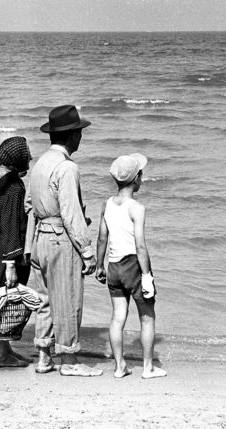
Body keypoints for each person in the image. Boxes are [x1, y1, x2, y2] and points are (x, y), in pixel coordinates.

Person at [28, 104, 102, 377]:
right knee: (69, 299)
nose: (81, 137)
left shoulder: (39, 165)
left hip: (41, 239)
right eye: (79, 132)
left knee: (45, 300)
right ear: (72, 136)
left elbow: (29, 205)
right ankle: (69, 360)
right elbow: (71, 214)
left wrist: (29, 247)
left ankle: (44, 356)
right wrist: (87, 250)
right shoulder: (67, 167)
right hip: (61, 239)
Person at [95, 153, 167, 379]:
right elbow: (140, 246)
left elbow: (101, 239)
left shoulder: (106, 204)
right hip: (133, 265)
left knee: (118, 317)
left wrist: (99, 265)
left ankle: (119, 367)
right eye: (141, 175)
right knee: (147, 316)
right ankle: (148, 368)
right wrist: (146, 276)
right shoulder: (137, 208)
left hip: (114, 266)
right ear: (136, 179)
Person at [0, 136, 33, 368]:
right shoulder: (13, 187)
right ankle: (0, 356)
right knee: (6, 300)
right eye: (25, 158)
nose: (28, 162)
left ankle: (5, 350)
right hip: (5, 251)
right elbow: (11, 225)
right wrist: (11, 262)